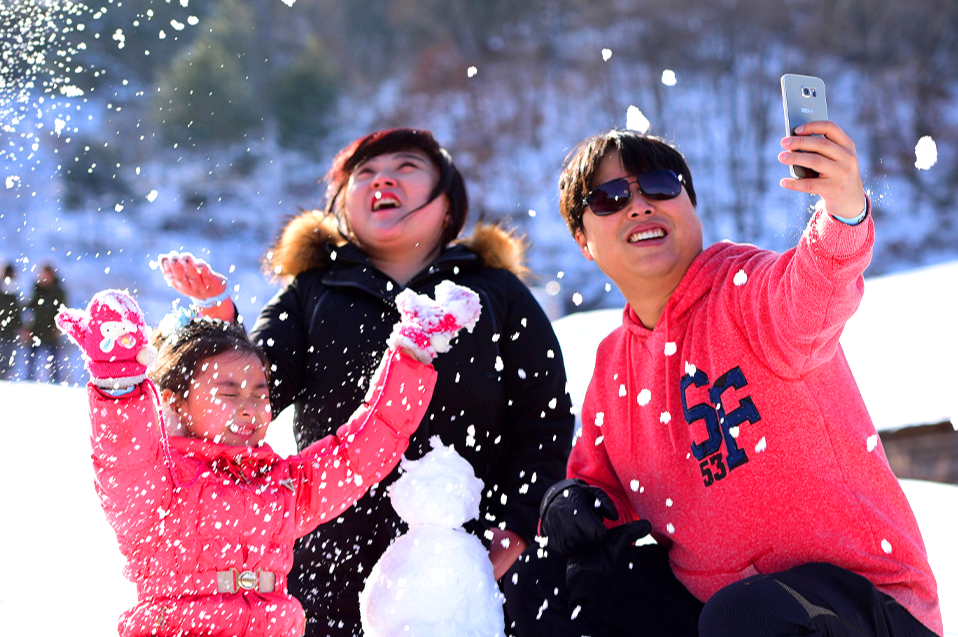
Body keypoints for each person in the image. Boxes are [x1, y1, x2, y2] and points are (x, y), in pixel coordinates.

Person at [503, 121, 943, 637]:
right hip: (721, 615)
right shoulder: (614, 364)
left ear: (690, 206)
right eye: (611, 197)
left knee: (744, 613)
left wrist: (843, 213)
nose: (640, 205)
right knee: (545, 584)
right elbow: (603, 487)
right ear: (583, 240)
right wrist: (573, 501)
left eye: (661, 186)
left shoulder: (744, 290)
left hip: (866, 607)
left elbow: (814, 291)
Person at [159, 127, 575, 636]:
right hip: (329, 560)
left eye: (406, 168)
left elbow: (544, 414)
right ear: (343, 208)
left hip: (470, 558)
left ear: (448, 206)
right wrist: (222, 324)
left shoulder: (495, 291)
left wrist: (518, 519)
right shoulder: (311, 292)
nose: (383, 181)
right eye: (365, 174)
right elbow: (251, 393)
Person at [55, 281, 480, 637]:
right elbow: (122, 458)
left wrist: (413, 353)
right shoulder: (159, 485)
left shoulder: (283, 485)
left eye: (260, 393)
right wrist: (119, 384)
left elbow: (362, 449)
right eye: (229, 392)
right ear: (175, 403)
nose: (251, 406)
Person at [26, 262, 68, 382]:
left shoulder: (58, 292)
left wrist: (58, 327)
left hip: (51, 330)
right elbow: (30, 308)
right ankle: (29, 379)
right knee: (31, 358)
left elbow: (62, 311)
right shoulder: (36, 290)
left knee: (54, 358)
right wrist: (27, 327)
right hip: (37, 329)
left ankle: (56, 380)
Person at [0, 263, 24, 380]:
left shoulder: (12, 290)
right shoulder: (11, 289)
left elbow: (15, 311)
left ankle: (4, 375)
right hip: (7, 329)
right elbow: (16, 311)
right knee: (6, 355)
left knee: (7, 355)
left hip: (9, 330)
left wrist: (20, 326)